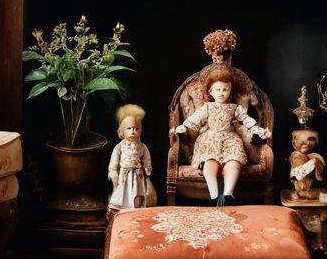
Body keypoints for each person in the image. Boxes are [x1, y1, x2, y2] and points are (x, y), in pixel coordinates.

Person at [174, 65, 269, 206]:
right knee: (210, 163)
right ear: (210, 92)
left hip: (230, 139)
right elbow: (196, 119)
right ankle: (214, 196)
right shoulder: (208, 107)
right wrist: (184, 127)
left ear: (230, 90)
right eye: (217, 90)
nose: (221, 93)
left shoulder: (234, 108)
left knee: (234, 162)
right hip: (210, 139)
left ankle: (228, 194)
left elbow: (246, 119)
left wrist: (255, 129)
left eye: (225, 89)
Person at [108, 105, 156, 210]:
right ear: (122, 131)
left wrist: (147, 167)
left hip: (137, 174)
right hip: (124, 174)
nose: (133, 131)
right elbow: (114, 160)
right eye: (129, 128)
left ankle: (136, 207)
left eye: (136, 128)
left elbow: (146, 158)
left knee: (138, 192)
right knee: (124, 191)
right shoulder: (120, 147)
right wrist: (113, 171)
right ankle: (124, 206)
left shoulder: (142, 146)